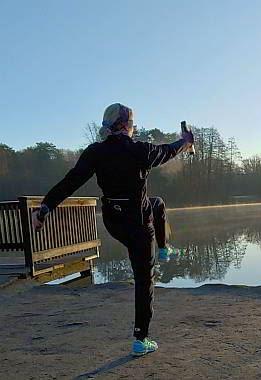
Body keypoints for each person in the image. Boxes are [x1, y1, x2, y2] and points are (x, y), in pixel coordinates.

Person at [32, 103, 194, 356]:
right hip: (139, 225)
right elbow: (169, 151)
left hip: (114, 222)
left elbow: (70, 182)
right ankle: (141, 339)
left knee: (158, 203)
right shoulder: (141, 150)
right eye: (132, 124)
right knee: (144, 279)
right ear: (128, 125)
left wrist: (44, 208)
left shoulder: (96, 152)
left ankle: (163, 249)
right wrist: (185, 141)